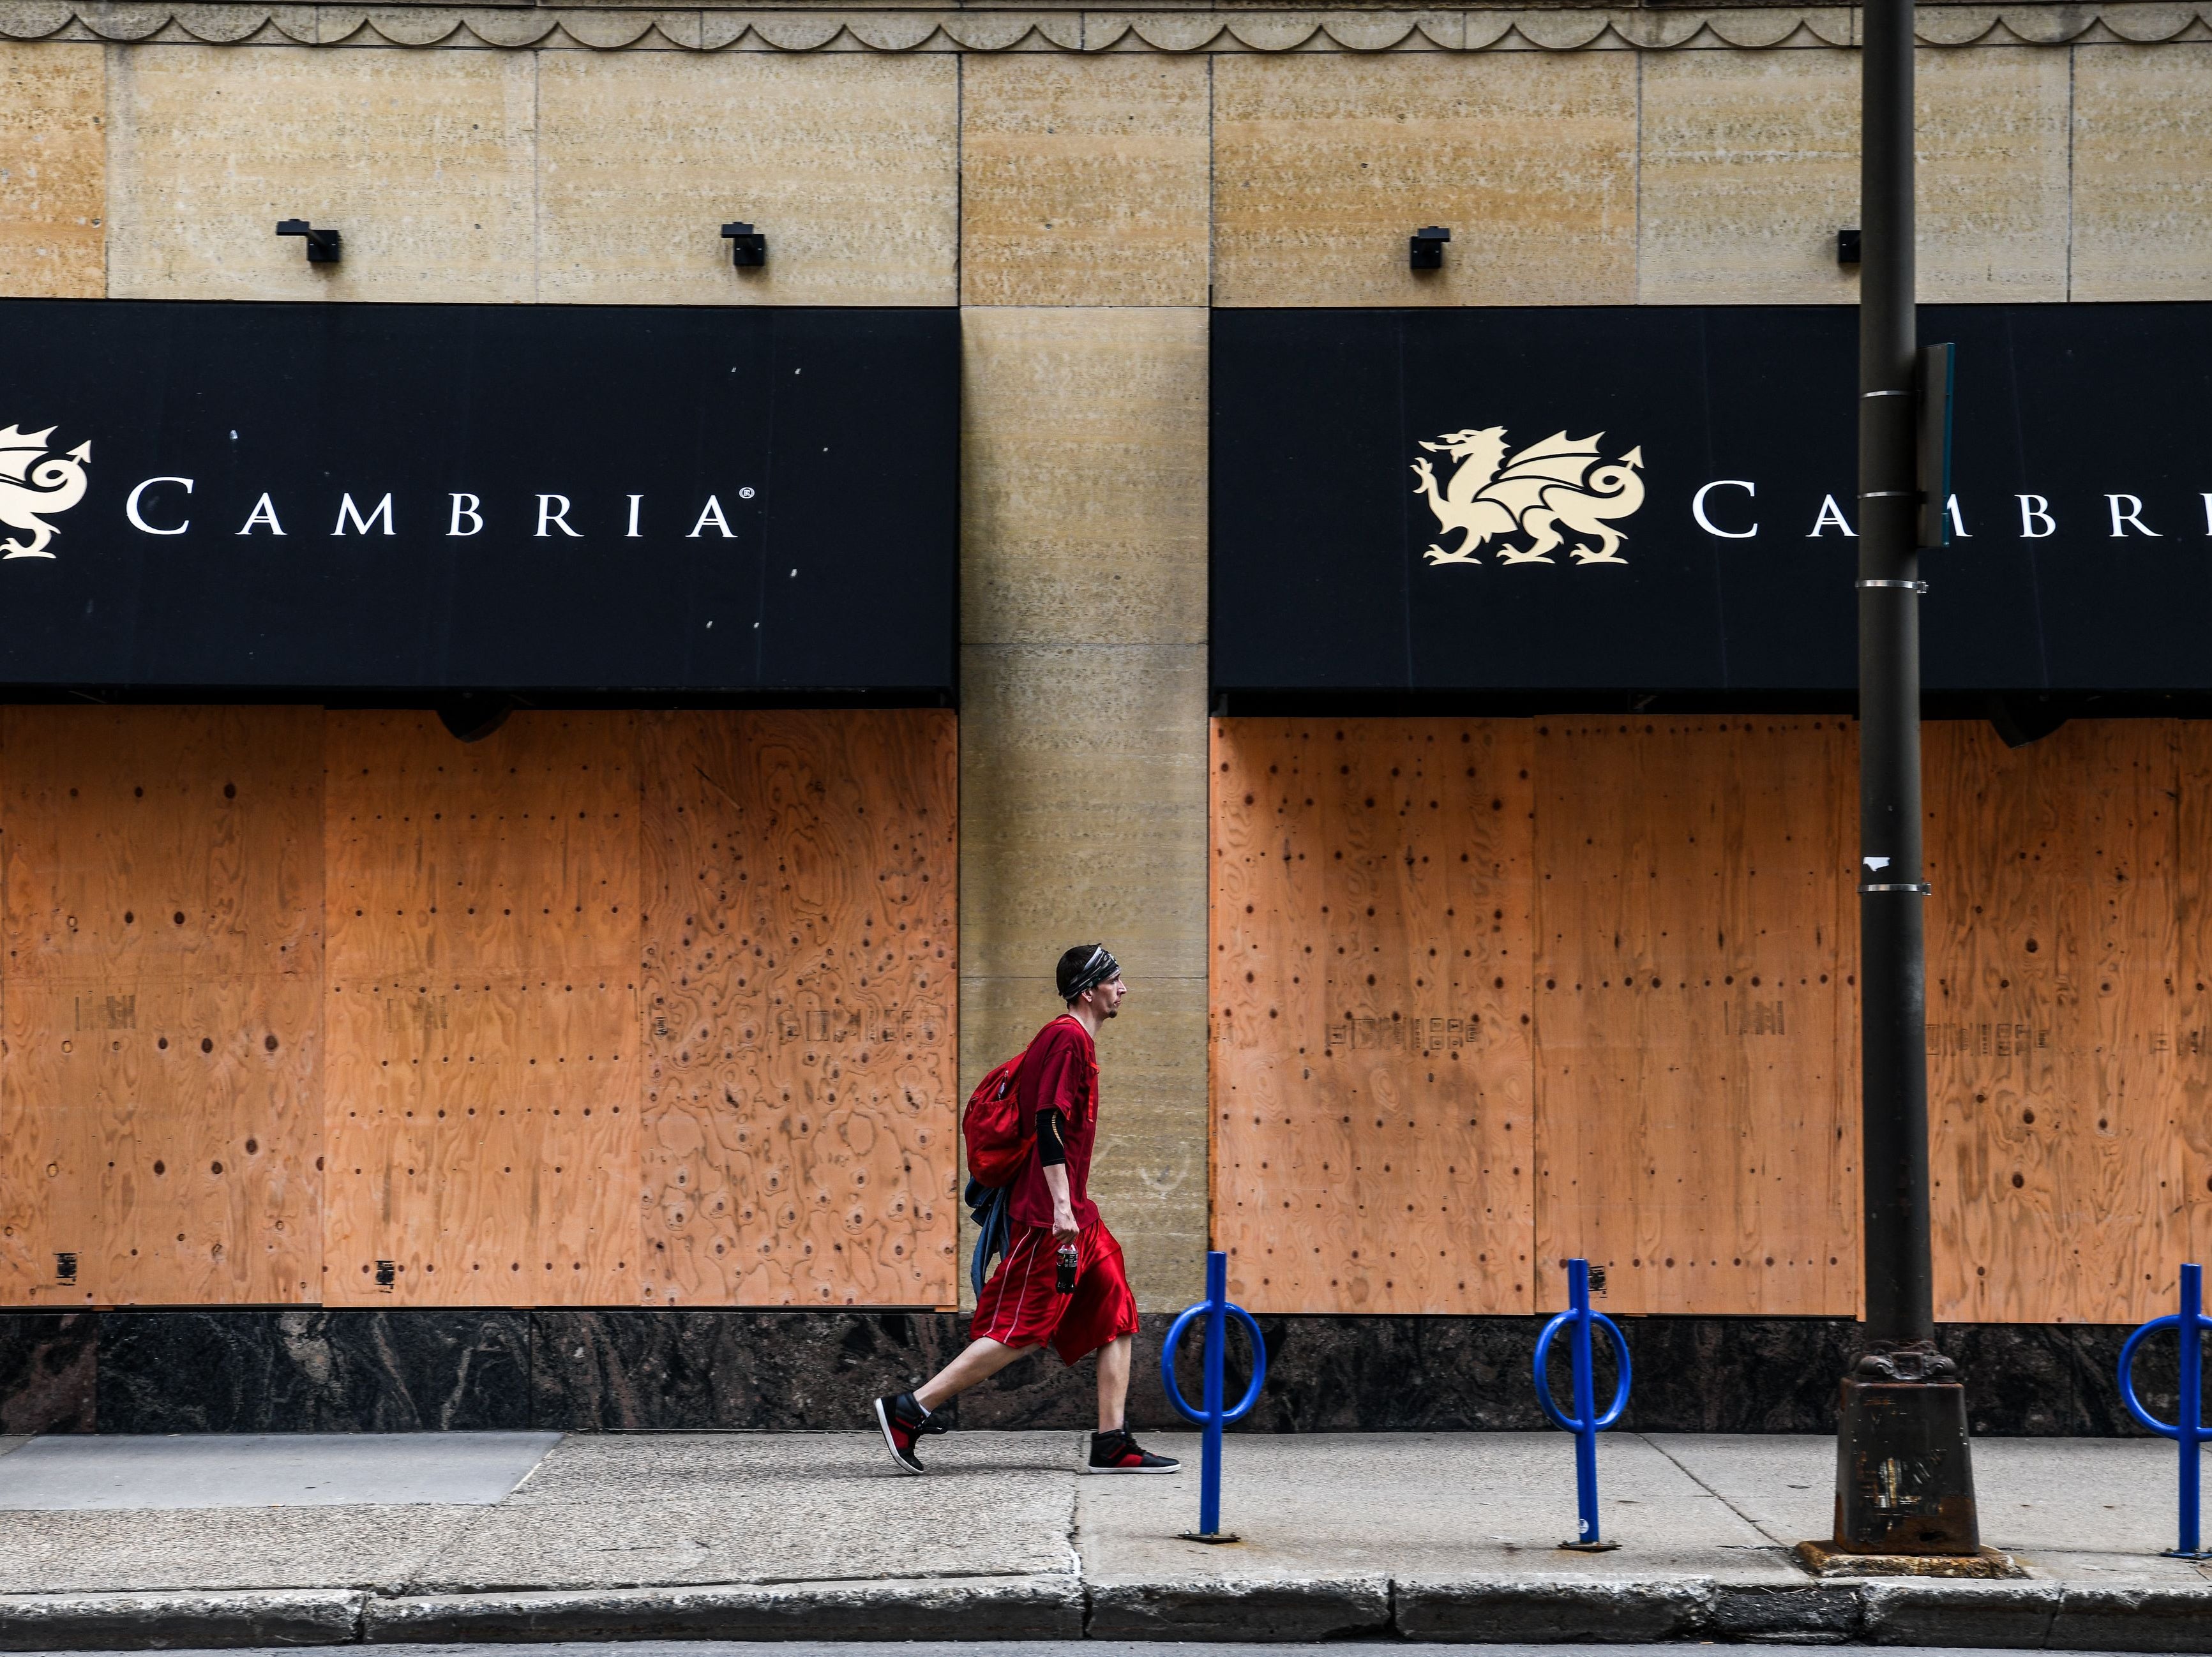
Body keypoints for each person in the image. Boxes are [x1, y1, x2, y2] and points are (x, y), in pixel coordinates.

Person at [873, 944, 1180, 1476]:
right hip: (1049, 1216)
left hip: (1076, 1213)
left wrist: (1073, 1207)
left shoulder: (1077, 1042)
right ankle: (909, 1409)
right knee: (1022, 1328)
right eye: (1114, 979)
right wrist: (1061, 1206)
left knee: (1115, 1305)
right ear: (1088, 990)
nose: (1123, 988)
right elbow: (1047, 1122)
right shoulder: (1065, 1038)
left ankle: (1112, 1442)